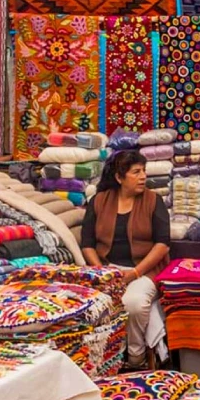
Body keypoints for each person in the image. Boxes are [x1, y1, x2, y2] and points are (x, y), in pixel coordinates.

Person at [81, 150, 171, 368]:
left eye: (144, 171)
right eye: (136, 172)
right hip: (107, 269)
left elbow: (162, 244)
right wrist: (103, 272)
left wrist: (135, 273)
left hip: (145, 269)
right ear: (119, 177)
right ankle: (101, 358)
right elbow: (87, 244)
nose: (143, 177)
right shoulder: (99, 201)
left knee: (134, 303)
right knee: (88, 304)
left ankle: (135, 357)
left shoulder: (153, 200)